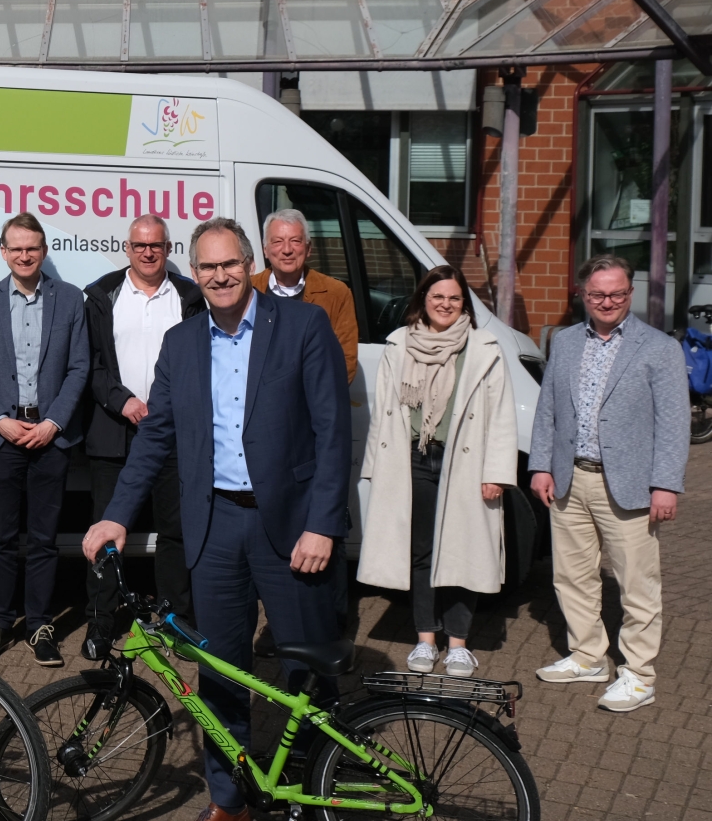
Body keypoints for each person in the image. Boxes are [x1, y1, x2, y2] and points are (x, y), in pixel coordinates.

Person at [83, 216, 350, 821]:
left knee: (305, 674)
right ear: (194, 274)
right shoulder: (181, 343)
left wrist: (324, 524)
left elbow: (334, 434)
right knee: (220, 671)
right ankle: (229, 804)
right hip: (215, 527)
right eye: (207, 268)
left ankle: (320, 814)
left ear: (250, 265)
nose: (220, 277)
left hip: (289, 528)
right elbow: (154, 441)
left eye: (230, 265)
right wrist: (117, 515)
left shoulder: (303, 327)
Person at [528, 254, 688, 713]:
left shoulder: (658, 347)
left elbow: (674, 423)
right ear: (582, 295)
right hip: (569, 477)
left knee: (637, 584)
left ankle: (639, 674)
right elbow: (549, 409)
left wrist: (666, 484)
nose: (608, 302)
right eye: (598, 294)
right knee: (572, 577)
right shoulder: (564, 341)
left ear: (630, 294)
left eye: (617, 293)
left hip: (632, 484)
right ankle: (588, 656)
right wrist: (541, 464)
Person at [358, 266, 515, 678]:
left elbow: (500, 415)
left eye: (455, 298)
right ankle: (426, 639)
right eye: (437, 297)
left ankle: (459, 644)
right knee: (422, 552)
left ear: (465, 303)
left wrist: (497, 471)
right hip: (411, 461)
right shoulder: (399, 344)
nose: (445, 304)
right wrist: (375, 467)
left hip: (465, 462)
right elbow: (384, 413)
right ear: (423, 300)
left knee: (463, 551)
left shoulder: (484, 346)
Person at [0, 212, 89, 668]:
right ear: (4, 252)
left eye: (32, 248)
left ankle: (39, 624)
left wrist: (54, 422)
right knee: (1, 538)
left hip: (50, 437)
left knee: (43, 539)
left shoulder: (71, 300)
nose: (24, 255)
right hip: (3, 436)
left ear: (43, 252)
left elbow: (79, 366)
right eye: (16, 248)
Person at [81, 215, 205, 652]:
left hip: (174, 433)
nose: (148, 252)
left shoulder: (191, 296)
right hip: (116, 432)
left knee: (175, 531)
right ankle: (100, 622)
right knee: (106, 532)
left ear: (168, 249)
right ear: (127, 248)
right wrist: (123, 400)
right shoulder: (101, 295)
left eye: (156, 245)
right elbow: (90, 366)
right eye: (139, 245)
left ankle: (174, 622)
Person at [251, 208, 360, 384]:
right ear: (265, 250)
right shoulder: (248, 291)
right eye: (277, 241)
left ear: (308, 248)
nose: (287, 250)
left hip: (311, 406)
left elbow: (345, 362)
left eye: (295, 241)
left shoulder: (336, 293)